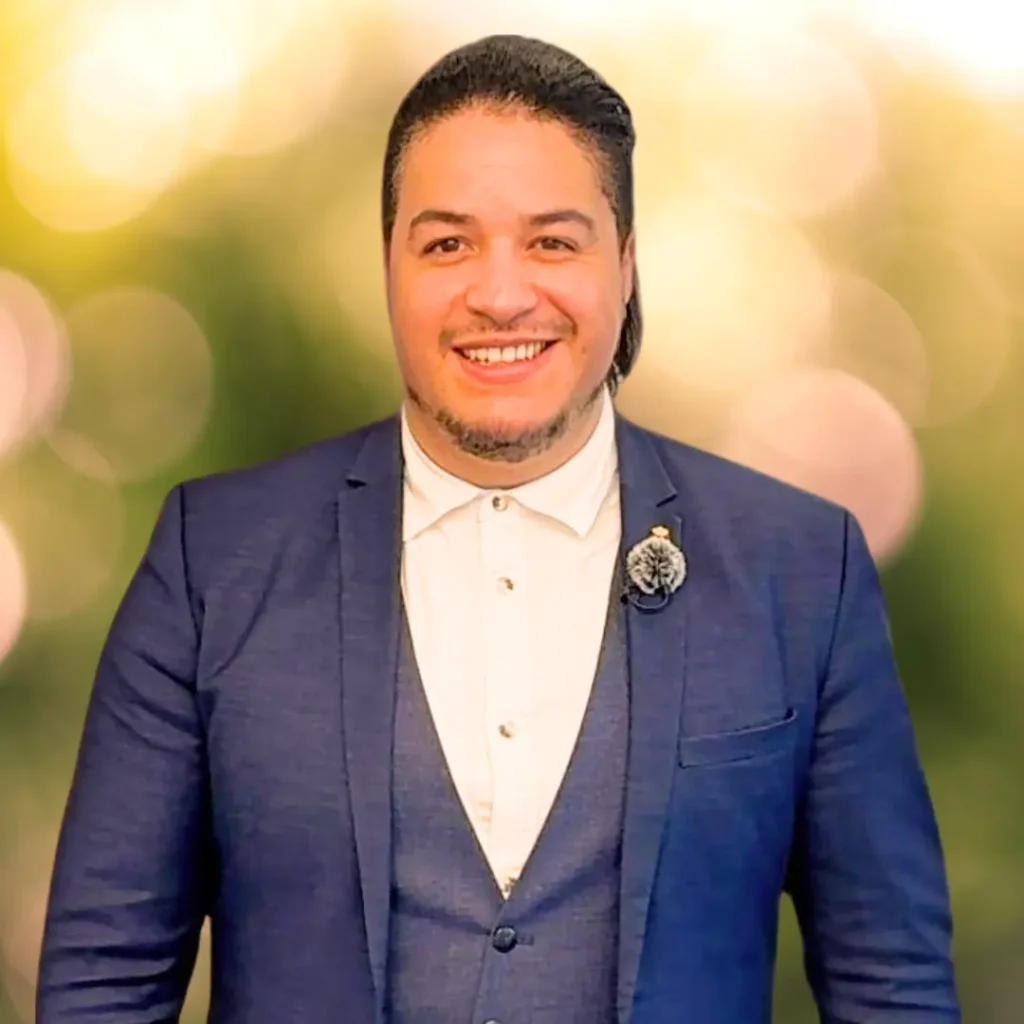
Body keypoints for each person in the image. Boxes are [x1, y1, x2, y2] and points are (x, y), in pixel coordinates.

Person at [36, 33, 960, 1024]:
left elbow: (892, 987)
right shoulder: (211, 561)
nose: (500, 294)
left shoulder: (799, 569)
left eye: (552, 241)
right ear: (388, 265)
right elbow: (103, 983)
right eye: (448, 244)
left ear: (626, 264)